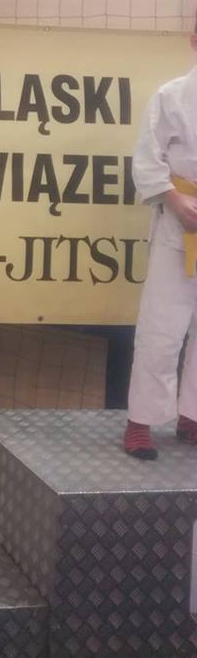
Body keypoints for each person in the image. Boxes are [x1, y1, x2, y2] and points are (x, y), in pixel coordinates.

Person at [124, 30, 197, 459]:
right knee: (162, 327)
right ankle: (141, 421)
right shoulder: (171, 96)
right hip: (179, 222)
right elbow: (147, 160)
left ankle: (192, 415)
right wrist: (174, 199)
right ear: (194, 40)